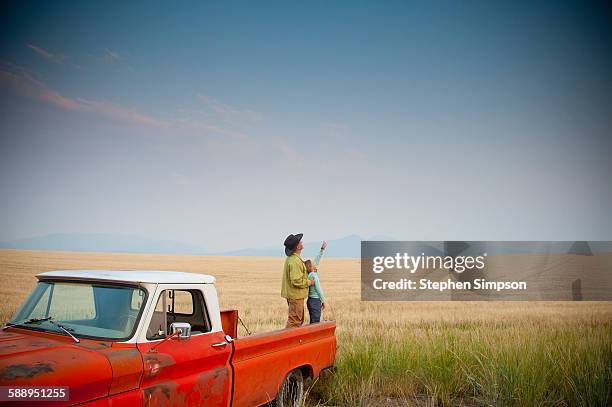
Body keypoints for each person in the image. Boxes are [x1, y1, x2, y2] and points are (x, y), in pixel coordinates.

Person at [281, 233, 314, 328]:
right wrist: (309, 282)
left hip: (295, 296)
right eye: (300, 241)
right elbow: (296, 280)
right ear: (297, 246)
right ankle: (287, 342)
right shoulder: (295, 261)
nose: (302, 242)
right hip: (295, 297)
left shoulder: (292, 259)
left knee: (297, 321)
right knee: (294, 322)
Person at [305, 241, 327, 323]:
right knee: (316, 324)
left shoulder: (309, 274)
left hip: (310, 300)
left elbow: (317, 260)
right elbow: (318, 289)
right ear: (311, 267)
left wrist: (322, 250)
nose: (315, 263)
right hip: (315, 301)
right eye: (312, 263)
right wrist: (323, 301)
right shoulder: (313, 276)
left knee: (313, 323)